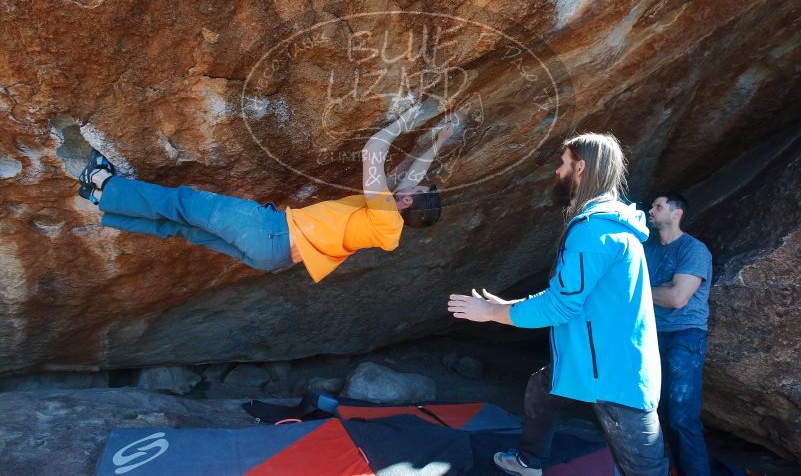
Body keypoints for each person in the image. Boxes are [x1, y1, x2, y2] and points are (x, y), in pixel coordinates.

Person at [448, 133, 669, 476]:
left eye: (563, 163)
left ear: (580, 168)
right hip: (591, 359)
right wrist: (508, 304)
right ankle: (530, 462)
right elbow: (570, 297)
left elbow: (560, 306)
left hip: (615, 373)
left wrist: (492, 313)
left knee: (644, 468)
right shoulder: (611, 226)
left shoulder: (593, 232)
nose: (557, 171)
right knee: (542, 388)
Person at [76, 98, 451, 282]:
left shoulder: (385, 214)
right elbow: (410, 182)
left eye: (414, 189)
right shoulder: (389, 228)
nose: (411, 182)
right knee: (182, 226)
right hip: (272, 257)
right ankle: (105, 206)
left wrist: (404, 120)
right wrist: (436, 144)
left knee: (186, 203)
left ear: (405, 202)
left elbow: (373, 151)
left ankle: (103, 185)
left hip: (271, 231)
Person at [645, 192, 712, 476]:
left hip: (684, 335)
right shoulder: (647, 250)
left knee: (683, 418)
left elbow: (677, 297)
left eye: (658, 206)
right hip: (650, 335)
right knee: (655, 414)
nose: (651, 210)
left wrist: (640, 293)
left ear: (676, 214)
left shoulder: (693, 250)